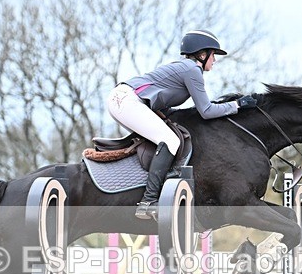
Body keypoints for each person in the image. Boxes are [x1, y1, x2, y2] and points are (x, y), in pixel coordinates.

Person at [107, 29, 258, 219]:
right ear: (202, 54)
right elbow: (207, 111)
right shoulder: (192, 70)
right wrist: (237, 105)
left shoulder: (185, 68)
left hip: (123, 99)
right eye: (213, 55)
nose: (214, 60)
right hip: (126, 101)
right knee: (170, 141)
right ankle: (148, 201)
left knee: (162, 140)